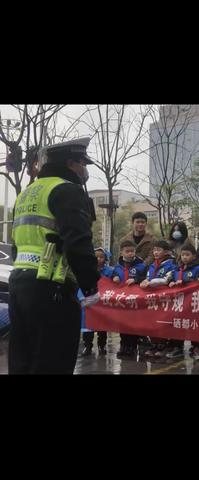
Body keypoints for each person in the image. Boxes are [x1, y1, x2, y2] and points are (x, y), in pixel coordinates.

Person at [8, 137, 100, 374]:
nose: (85, 170)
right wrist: (90, 287)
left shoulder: (27, 193)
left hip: (19, 286)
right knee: (53, 361)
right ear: (71, 163)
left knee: (23, 360)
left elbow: (17, 242)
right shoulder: (67, 190)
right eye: (83, 163)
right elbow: (79, 240)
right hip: (52, 289)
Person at [137, 240, 177, 359]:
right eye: (154, 250)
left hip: (165, 299)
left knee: (163, 322)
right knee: (152, 321)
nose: (155, 252)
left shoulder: (171, 265)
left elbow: (166, 279)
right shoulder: (153, 264)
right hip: (153, 299)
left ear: (166, 252)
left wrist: (150, 283)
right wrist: (145, 281)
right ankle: (154, 344)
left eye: (158, 250)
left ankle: (163, 345)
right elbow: (148, 276)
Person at [166, 243, 199, 359]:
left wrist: (188, 281)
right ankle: (177, 347)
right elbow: (170, 279)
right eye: (183, 255)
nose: (185, 257)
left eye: (187, 255)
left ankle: (196, 347)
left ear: (194, 256)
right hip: (179, 303)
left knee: (193, 325)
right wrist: (171, 282)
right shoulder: (177, 269)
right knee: (177, 324)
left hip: (193, 303)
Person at [112, 240, 147, 357]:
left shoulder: (141, 266)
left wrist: (136, 280)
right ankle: (124, 346)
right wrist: (115, 277)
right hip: (122, 302)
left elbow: (145, 278)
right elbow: (112, 276)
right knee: (123, 325)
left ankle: (132, 346)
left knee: (133, 325)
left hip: (135, 301)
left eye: (132, 251)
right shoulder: (117, 267)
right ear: (122, 252)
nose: (130, 254)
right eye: (127, 251)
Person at [80, 247, 114, 356]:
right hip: (89, 301)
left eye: (101, 257)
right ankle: (88, 346)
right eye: (96, 257)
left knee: (102, 326)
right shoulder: (86, 270)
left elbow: (113, 285)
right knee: (87, 326)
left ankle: (102, 346)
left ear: (105, 259)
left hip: (103, 302)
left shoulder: (109, 271)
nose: (98, 259)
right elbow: (81, 283)